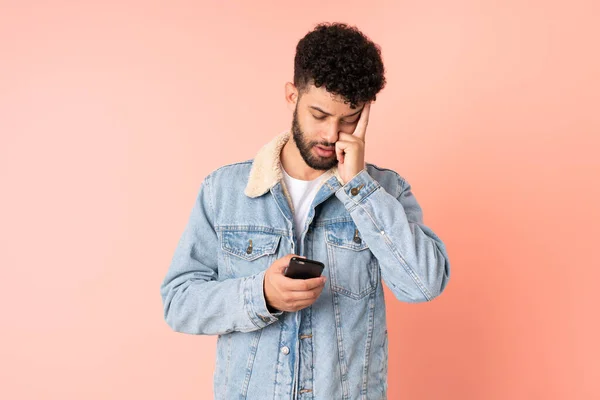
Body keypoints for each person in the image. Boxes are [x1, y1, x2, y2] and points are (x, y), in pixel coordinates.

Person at [160, 22, 450, 400]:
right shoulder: (224, 191)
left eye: (349, 119)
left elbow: (424, 284)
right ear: (291, 95)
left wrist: (359, 188)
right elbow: (179, 301)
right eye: (319, 114)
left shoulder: (385, 191)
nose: (332, 134)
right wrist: (260, 294)